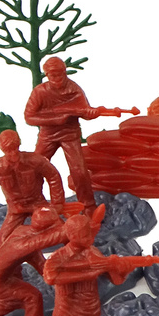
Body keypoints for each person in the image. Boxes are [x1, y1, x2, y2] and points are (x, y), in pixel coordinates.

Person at [0, 206, 67, 316]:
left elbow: (40, 263)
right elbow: (49, 239)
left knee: (16, 296)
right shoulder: (24, 243)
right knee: (32, 296)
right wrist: (70, 229)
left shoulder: (25, 233)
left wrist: (58, 278)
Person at [24, 56, 100, 211]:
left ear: (65, 72)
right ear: (47, 75)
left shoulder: (74, 89)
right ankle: (32, 204)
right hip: (47, 136)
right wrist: (55, 119)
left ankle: (88, 206)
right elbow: (29, 117)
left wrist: (91, 114)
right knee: (34, 168)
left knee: (79, 171)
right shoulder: (40, 92)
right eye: (53, 75)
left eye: (60, 74)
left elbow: (84, 111)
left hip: (70, 135)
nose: (57, 79)